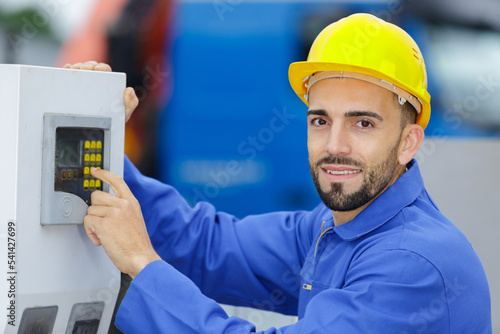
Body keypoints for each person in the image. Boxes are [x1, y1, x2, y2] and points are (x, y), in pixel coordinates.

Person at [79, 13, 491, 333]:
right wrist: (100, 145)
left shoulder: (411, 265)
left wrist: (141, 263)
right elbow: (207, 246)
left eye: (363, 123)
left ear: (409, 142)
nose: (335, 146)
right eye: (320, 120)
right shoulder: (334, 229)